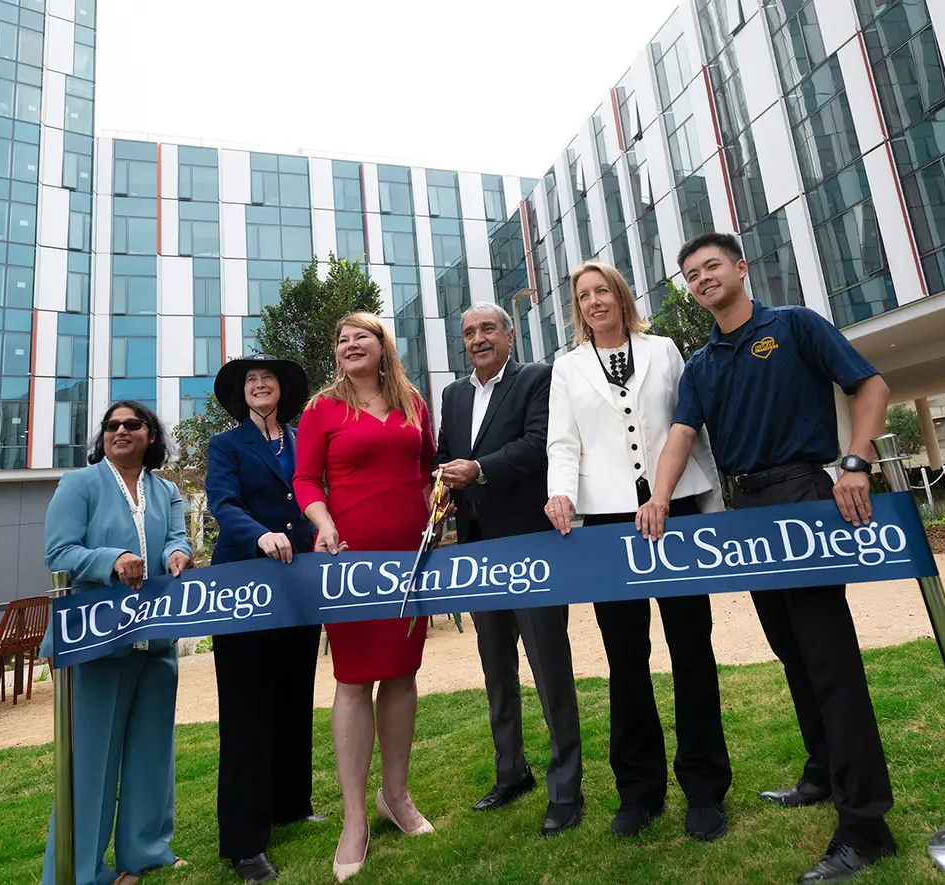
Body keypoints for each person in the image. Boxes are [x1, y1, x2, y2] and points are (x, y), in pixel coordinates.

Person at [636, 232, 895, 884]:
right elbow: (680, 436)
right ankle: (823, 773)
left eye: (712, 266)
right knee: (792, 652)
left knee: (830, 661)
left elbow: (871, 386)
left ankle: (866, 826)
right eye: (691, 274)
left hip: (803, 495)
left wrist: (857, 462)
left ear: (741, 267)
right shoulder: (701, 364)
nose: (702, 279)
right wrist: (658, 498)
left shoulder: (796, 325)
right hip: (744, 513)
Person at [545, 262, 732, 842]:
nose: (595, 301)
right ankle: (639, 791)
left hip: (675, 512)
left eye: (603, 290)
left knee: (691, 649)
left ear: (622, 295)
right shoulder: (568, 366)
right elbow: (563, 440)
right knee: (626, 660)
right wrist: (562, 493)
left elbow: (690, 424)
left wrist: (707, 505)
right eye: (584, 296)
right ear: (577, 308)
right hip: (605, 522)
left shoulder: (666, 349)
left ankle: (704, 789)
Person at [294, 312, 437, 882]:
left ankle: (395, 797)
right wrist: (322, 523)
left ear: (383, 347)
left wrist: (435, 504)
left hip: (410, 558)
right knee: (353, 680)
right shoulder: (321, 410)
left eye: (362, 336)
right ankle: (355, 819)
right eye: (342, 338)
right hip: (348, 559)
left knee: (402, 673)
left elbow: (427, 470)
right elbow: (306, 480)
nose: (351, 344)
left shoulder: (413, 405)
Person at [435, 302, 584, 838]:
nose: (478, 338)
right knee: (496, 669)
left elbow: (540, 445)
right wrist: (446, 487)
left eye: (488, 329)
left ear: (510, 335)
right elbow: (447, 452)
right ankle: (511, 772)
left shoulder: (539, 379)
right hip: (476, 551)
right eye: (469, 331)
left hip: (530, 548)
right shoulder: (452, 395)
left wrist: (478, 470)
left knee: (549, 668)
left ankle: (566, 789)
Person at [41, 401, 194, 885]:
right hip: (96, 640)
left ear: (151, 435)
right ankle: (80, 870)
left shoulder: (167, 490)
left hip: (156, 636)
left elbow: (178, 538)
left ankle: (146, 851)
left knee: (153, 749)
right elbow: (59, 552)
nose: (120, 431)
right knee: (90, 759)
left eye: (132, 425)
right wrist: (113, 558)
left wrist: (177, 554)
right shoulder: (79, 484)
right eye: (112, 426)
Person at [205, 354, 323, 885]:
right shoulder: (226, 446)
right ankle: (245, 841)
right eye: (250, 381)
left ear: (281, 390)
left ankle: (291, 804)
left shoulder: (303, 439)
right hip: (244, 588)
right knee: (247, 707)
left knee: (295, 693)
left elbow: (317, 494)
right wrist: (259, 533)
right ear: (241, 394)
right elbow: (223, 504)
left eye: (267, 380)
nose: (259, 386)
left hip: (300, 583)